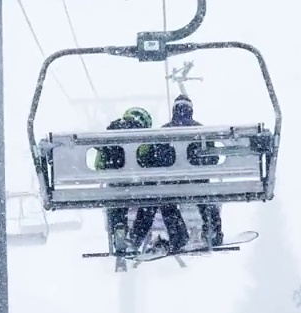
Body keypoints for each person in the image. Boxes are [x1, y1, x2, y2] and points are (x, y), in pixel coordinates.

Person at [126, 93, 225, 252]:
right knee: (206, 196)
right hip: (196, 181)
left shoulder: (163, 132)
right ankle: (213, 231)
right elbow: (212, 159)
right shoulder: (202, 131)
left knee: (164, 201)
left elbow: (151, 160)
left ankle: (174, 235)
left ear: (174, 110)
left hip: (170, 182)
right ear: (191, 110)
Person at [93, 107, 153, 250]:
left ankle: (119, 228)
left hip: (115, 182)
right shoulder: (145, 136)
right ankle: (136, 237)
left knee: (117, 203)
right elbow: (145, 159)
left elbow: (98, 164)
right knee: (149, 204)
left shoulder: (109, 131)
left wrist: (109, 173)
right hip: (136, 182)